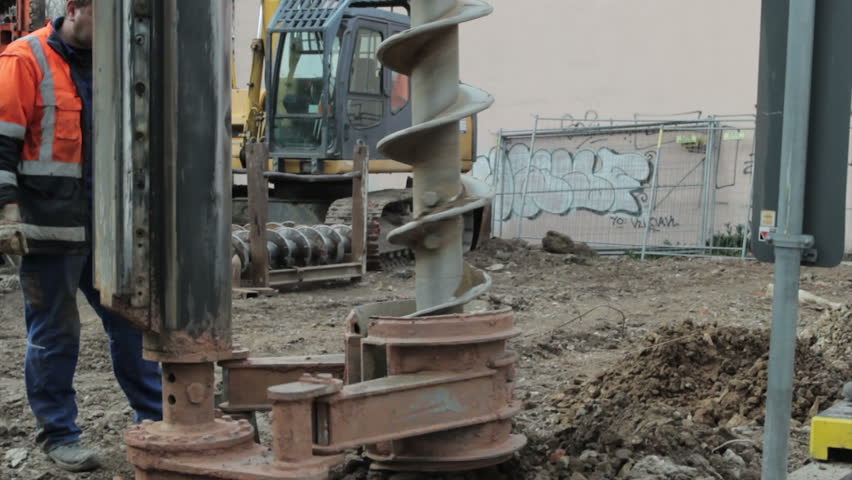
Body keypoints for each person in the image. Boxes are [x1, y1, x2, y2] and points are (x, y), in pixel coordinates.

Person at [0, 0, 162, 472]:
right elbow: (2, 143)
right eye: (106, 18)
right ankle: (59, 434)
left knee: (132, 322)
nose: (116, 31)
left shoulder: (117, 63)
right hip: (47, 229)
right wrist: (7, 213)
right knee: (55, 332)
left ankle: (153, 418)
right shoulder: (24, 59)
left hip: (108, 226)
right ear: (75, 9)